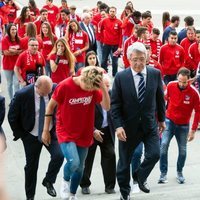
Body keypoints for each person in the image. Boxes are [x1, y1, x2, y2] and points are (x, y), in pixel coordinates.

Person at [42, 66, 110, 200]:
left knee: (80, 168)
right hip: (65, 130)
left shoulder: (93, 88)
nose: (88, 91)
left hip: (84, 131)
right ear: (82, 78)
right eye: (87, 87)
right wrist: (45, 130)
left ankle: (72, 194)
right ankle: (65, 182)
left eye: (92, 89)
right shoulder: (65, 85)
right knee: (73, 162)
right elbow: (50, 106)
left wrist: (102, 87)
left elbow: (106, 107)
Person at [111, 42, 166, 200]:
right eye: (135, 59)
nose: (138, 63)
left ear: (146, 58)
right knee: (123, 163)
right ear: (129, 59)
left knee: (155, 153)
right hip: (128, 127)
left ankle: (140, 176)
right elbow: (115, 105)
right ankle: (124, 192)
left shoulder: (155, 74)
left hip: (149, 125)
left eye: (142, 59)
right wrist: (118, 126)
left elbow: (160, 99)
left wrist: (162, 120)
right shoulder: (121, 77)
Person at [8, 75, 64, 200]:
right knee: (31, 166)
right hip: (31, 134)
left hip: (50, 131)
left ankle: (48, 180)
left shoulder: (54, 88)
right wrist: (22, 135)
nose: (46, 95)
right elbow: (12, 116)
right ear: (36, 87)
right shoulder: (22, 94)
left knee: (59, 155)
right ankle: (30, 196)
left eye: (48, 93)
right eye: (44, 93)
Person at [158, 67, 200, 184]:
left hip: (183, 125)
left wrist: (193, 130)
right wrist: (159, 120)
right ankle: (163, 173)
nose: (182, 84)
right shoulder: (171, 85)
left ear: (189, 80)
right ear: (177, 78)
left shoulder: (194, 93)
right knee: (163, 146)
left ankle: (179, 172)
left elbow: (198, 111)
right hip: (169, 121)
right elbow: (162, 100)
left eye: (184, 82)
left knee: (182, 150)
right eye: (180, 81)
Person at [80, 61, 116, 196]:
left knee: (110, 155)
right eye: (104, 86)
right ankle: (84, 184)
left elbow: (117, 112)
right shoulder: (90, 95)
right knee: (87, 158)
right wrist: (93, 130)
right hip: (92, 131)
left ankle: (110, 186)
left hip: (107, 131)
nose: (107, 89)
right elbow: (83, 115)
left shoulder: (112, 95)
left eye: (108, 86)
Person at [100, 6, 122, 77]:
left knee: (115, 61)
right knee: (103, 61)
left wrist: (119, 47)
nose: (112, 13)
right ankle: (104, 74)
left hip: (115, 46)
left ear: (116, 12)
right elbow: (100, 30)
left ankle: (115, 75)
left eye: (113, 11)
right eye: (111, 11)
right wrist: (102, 40)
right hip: (106, 45)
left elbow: (121, 35)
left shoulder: (119, 22)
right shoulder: (104, 21)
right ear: (108, 12)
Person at [1, 23, 21, 100]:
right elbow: (5, 52)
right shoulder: (4, 40)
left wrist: (11, 50)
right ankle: (11, 99)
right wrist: (16, 51)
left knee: (16, 83)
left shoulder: (19, 39)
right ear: (8, 30)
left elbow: (22, 51)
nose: (14, 31)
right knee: (9, 84)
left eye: (15, 29)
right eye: (12, 29)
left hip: (17, 65)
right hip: (7, 65)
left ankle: (16, 100)